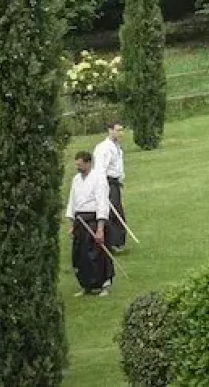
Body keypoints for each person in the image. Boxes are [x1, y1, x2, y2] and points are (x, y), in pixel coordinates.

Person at [64, 151, 114, 296]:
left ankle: (104, 285)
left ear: (88, 163)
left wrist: (100, 229)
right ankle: (86, 285)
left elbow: (102, 203)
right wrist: (72, 224)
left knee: (97, 253)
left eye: (80, 165)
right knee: (80, 255)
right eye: (76, 165)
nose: (77, 167)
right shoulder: (76, 180)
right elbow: (72, 202)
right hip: (80, 221)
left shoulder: (98, 178)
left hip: (93, 220)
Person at [93, 120, 128, 251]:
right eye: (118, 130)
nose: (121, 133)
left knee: (118, 211)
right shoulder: (104, 148)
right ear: (110, 130)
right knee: (111, 212)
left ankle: (118, 242)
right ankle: (110, 242)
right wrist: (103, 190)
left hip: (115, 183)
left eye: (121, 130)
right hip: (106, 183)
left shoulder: (117, 147)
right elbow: (100, 170)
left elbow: (118, 168)